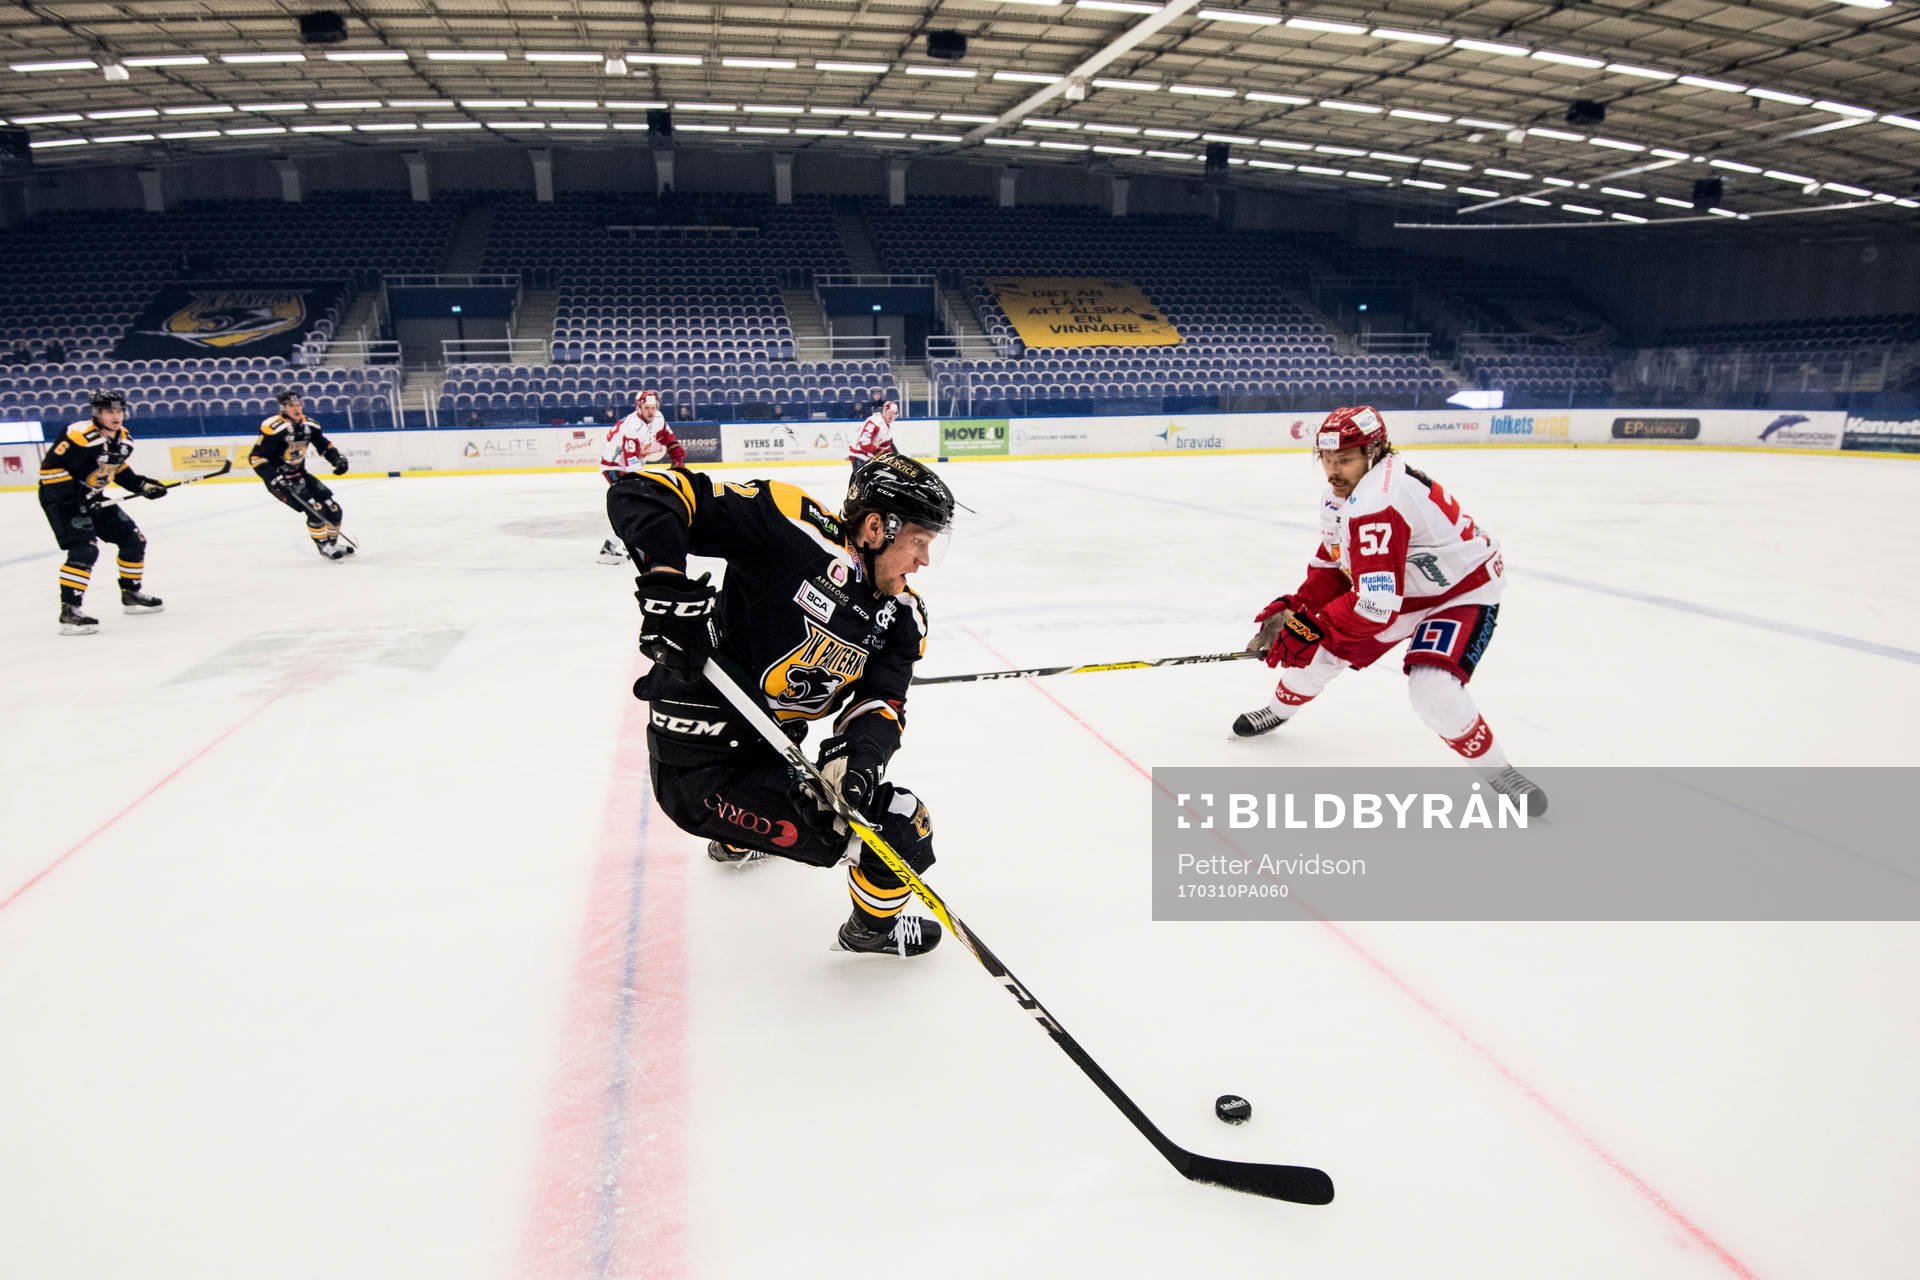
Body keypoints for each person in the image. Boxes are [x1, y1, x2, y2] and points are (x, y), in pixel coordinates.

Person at [611, 455, 956, 957]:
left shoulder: (901, 619)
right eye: (919, 542)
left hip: (773, 755)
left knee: (872, 804)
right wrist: (667, 589)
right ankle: (872, 931)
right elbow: (644, 490)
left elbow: (880, 702)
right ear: (878, 527)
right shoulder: (790, 527)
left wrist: (857, 761)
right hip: (699, 769)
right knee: (901, 829)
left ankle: (739, 838)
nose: (924, 560)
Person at [1234, 405, 1545, 813]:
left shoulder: (1376, 502)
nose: (1332, 470)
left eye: (1344, 459)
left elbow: (1375, 605)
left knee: (1432, 691)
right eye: (1326, 459)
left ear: (1374, 451)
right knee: (1319, 654)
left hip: (1460, 592)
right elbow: (1333, 562)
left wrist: (1311, 624)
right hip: (1401, 590)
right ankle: (1276, 712)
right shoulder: (1342, 496)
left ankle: (1499, 772)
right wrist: (1303, 607)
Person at [37, 390, 166, 635]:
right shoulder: (79, 435)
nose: (116, 416)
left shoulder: (124, 439)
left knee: (133, 539)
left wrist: (143, 485)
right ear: (97, 413)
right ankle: (70, 612)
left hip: (92, 498)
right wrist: (76, 498)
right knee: (84, 549)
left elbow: (118, 469)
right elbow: (50, 471)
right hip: (60, 499)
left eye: (119, 410)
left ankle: (131, 594)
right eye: (109, 411)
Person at [248, 389, 352, 559]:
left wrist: (337, 459)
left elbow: (324, 445)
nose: (296, 409)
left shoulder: (309, 425)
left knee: (334, 509)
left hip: (300, 474)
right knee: (315, 510)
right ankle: (323, 546)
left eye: (298, 405)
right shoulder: (273, 428)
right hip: (281, 481)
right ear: (283, 408)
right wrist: (272, 477)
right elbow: (256, 457)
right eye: (291, 406)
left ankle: (333, 544)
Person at [597, 389, 685, 563]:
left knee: (636, 505)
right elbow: (631, 461)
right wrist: (645, 481)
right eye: (647, 408)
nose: (651, 411)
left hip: (630, 464)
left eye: (653, 407)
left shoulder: (658, 418)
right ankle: (612, 546)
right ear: (639, 408)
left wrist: (678, 460)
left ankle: (619, 543)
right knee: (631, 504)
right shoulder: (632, 426)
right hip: (614, 467)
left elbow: (670, 439)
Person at [848, 396, 898, 474]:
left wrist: (895, 458)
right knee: (861, 482)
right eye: (889, 412)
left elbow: (887, 445)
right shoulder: (875, 421)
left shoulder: (886, 425)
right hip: (859, 454)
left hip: (869, 455)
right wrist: (876, 452)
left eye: (894, 413)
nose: (891, 415)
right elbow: (864, 443)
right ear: (884, 411)